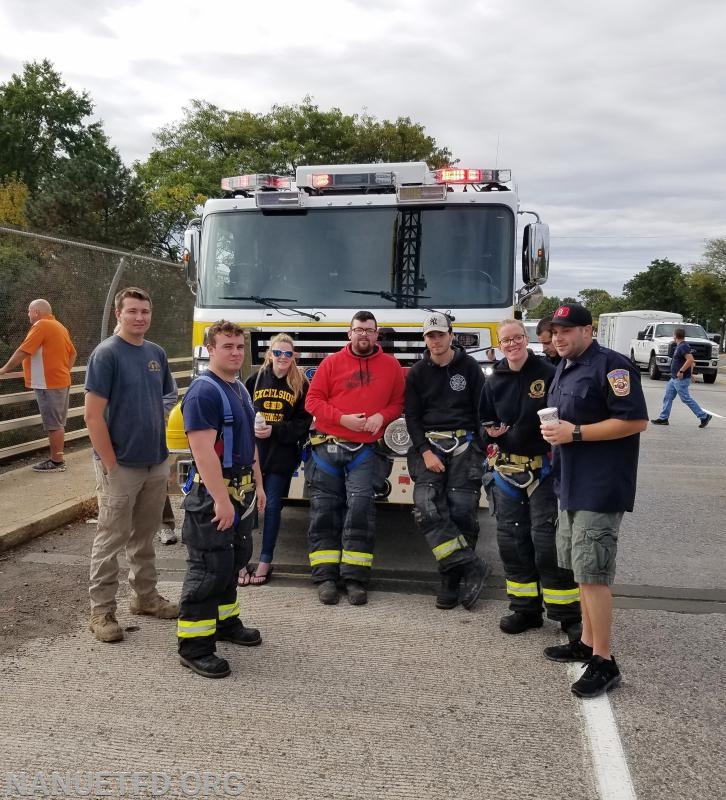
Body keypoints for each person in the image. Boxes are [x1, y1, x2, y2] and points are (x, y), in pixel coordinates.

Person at [540, 303, 648, 698]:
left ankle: (604, 660)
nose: (558, 337)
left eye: (567, 330)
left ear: (589, 330)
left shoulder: (613, 367)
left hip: (599, 486)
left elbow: (635, 420)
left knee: (593, 574)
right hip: (570, 482)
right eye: (554, 331)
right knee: (578, 568)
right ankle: (585, 642)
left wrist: (576, 434)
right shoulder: (565, 367)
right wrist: (557, 435)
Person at [84, 287, 179, 643]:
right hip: (121, 465)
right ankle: (102, 611)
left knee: (144, 536)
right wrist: (110, 464)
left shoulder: (156, 353)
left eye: (145, 311)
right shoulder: (106, 354)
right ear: (118, 314)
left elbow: (167, 397)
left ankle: (145, 598)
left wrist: (165, 455)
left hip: (154, 461)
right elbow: (92, 416)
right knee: (111, 538)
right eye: (133, 311)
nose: (140, 317)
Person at [177, 320, 266, 679]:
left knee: (233, 563)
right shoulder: (204, 393)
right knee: (209, 569)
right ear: (210, 349)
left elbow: (250, 446)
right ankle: (194, 646)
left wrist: (258, 487)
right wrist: (220, 501)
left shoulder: (240, 389)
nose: (235, 353)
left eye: (240, 347)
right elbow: (203, 452)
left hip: (240, 492)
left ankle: (225, 624)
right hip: (216, 496)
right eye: (227, 346)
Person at [481, 319, 581, 637]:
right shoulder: (493, 378)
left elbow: (566, 414)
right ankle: (525, 609)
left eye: (516, 338)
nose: (511, 344)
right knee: (511, 541)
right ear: (499, 344)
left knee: (547, 542)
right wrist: (489, 430)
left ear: (527, 340)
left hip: (544, 470)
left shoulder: (548, 374)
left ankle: (567, 614)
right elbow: (481, 418)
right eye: (505, 340)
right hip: (507, 472)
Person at [305, 311, 405, 606]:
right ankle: (325, 578)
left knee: (360, 510)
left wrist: (381, 416)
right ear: (349, 334)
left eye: (369, 330)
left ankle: (355, 579)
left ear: (377, 335)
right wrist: (343, 419)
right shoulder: (331, 363)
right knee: (324, 511)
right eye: (359, 330)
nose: (364, 335)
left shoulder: (391, 366)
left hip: (364, 452)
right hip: (328, 448)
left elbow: (398, 403)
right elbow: (312, 401)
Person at [404, 312, 490, 611]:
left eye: (440, 334)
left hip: (465, 444)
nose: (435, 340)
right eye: (430, 336)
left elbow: (483, 411)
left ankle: (452, 581)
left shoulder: (470, 368)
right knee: (426, 506)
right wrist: (426, 451)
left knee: (462, 510)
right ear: (425, 339)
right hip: (429, 446)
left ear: (451, 335)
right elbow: (412, 418)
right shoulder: (417, 373)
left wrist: (478, 445)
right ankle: (470, 565)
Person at [240, 333, 312, 585]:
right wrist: (252, 427)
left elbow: (304, 423)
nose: (283, 357)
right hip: (253, 454)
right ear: (270, 354)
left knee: (271, 508)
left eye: (288, 354)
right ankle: (241, 563)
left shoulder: (301, 384)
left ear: (294, 357)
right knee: (246, 509)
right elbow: (240, 413)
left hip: (281, 456)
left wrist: (276, 429)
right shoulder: (253, 380)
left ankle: (264, 562)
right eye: (278, 352)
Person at [0, 299, 77, 472]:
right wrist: (63, 371)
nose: (28, 314)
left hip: (49, 384)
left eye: (29, 311)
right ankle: (57, 460)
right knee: (57, 423)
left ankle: (57, 462)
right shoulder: (59, 326)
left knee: (54, 424)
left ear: (36, 312)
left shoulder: (41, 325)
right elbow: (73, 354)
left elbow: (23, 351)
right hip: (59, 381)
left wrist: (4, 369)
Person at [651, 327, 712, 428]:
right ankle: (663, 418)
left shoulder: (683, 346)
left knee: (686, 399)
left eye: (673, 335)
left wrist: (682, 371)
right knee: (668, 397)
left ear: (675, 335)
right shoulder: (681, 346)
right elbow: (690, 362)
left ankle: (704, 416)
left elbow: (690, 360)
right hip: (674, 378)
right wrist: (691, 374)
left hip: (680, 379)